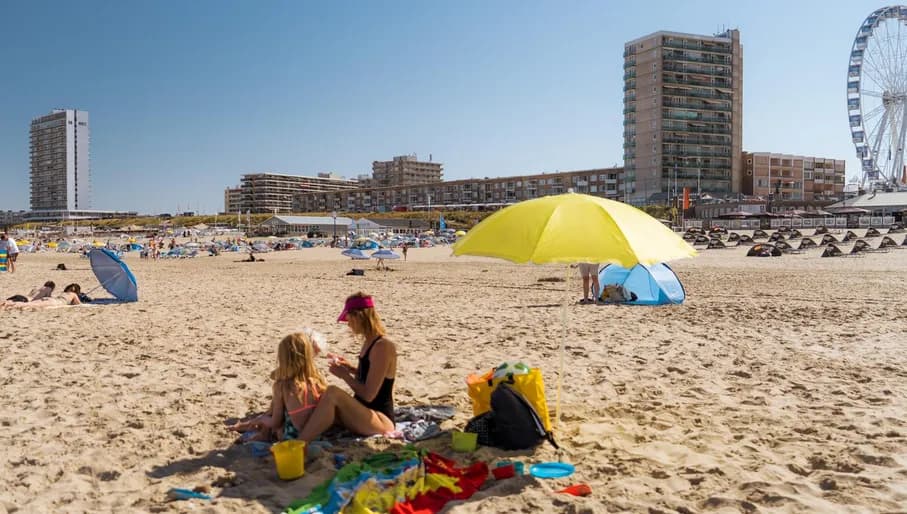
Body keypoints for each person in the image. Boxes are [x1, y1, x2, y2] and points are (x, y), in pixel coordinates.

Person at [295, 293, 397, 442]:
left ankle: (300, 444)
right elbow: (372, 377)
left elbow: (369, 394)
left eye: (349, 319)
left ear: (359, 316)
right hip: (365, 412)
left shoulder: (382, 346)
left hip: (380, 419)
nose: (348, 325)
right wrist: (350, 368)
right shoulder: (370, 341)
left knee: (332, 393)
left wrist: (344, 376)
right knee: (319, 396)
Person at [227, 329, 328, 440]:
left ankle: (259, 431)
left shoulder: (282, 386)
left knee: (275, 424)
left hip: (292, 436)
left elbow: (275, 422)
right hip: (317, 433)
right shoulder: (317, 380)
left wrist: (261, 419)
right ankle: (254, 426)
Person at [1, 283, 81, 309]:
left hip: (48, 299)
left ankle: (6, 303)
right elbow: (78, 304)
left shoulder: (62, 294)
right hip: (54, 302)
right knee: (28, 304)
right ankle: (7, 304)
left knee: (30, 304)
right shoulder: (73, 294)